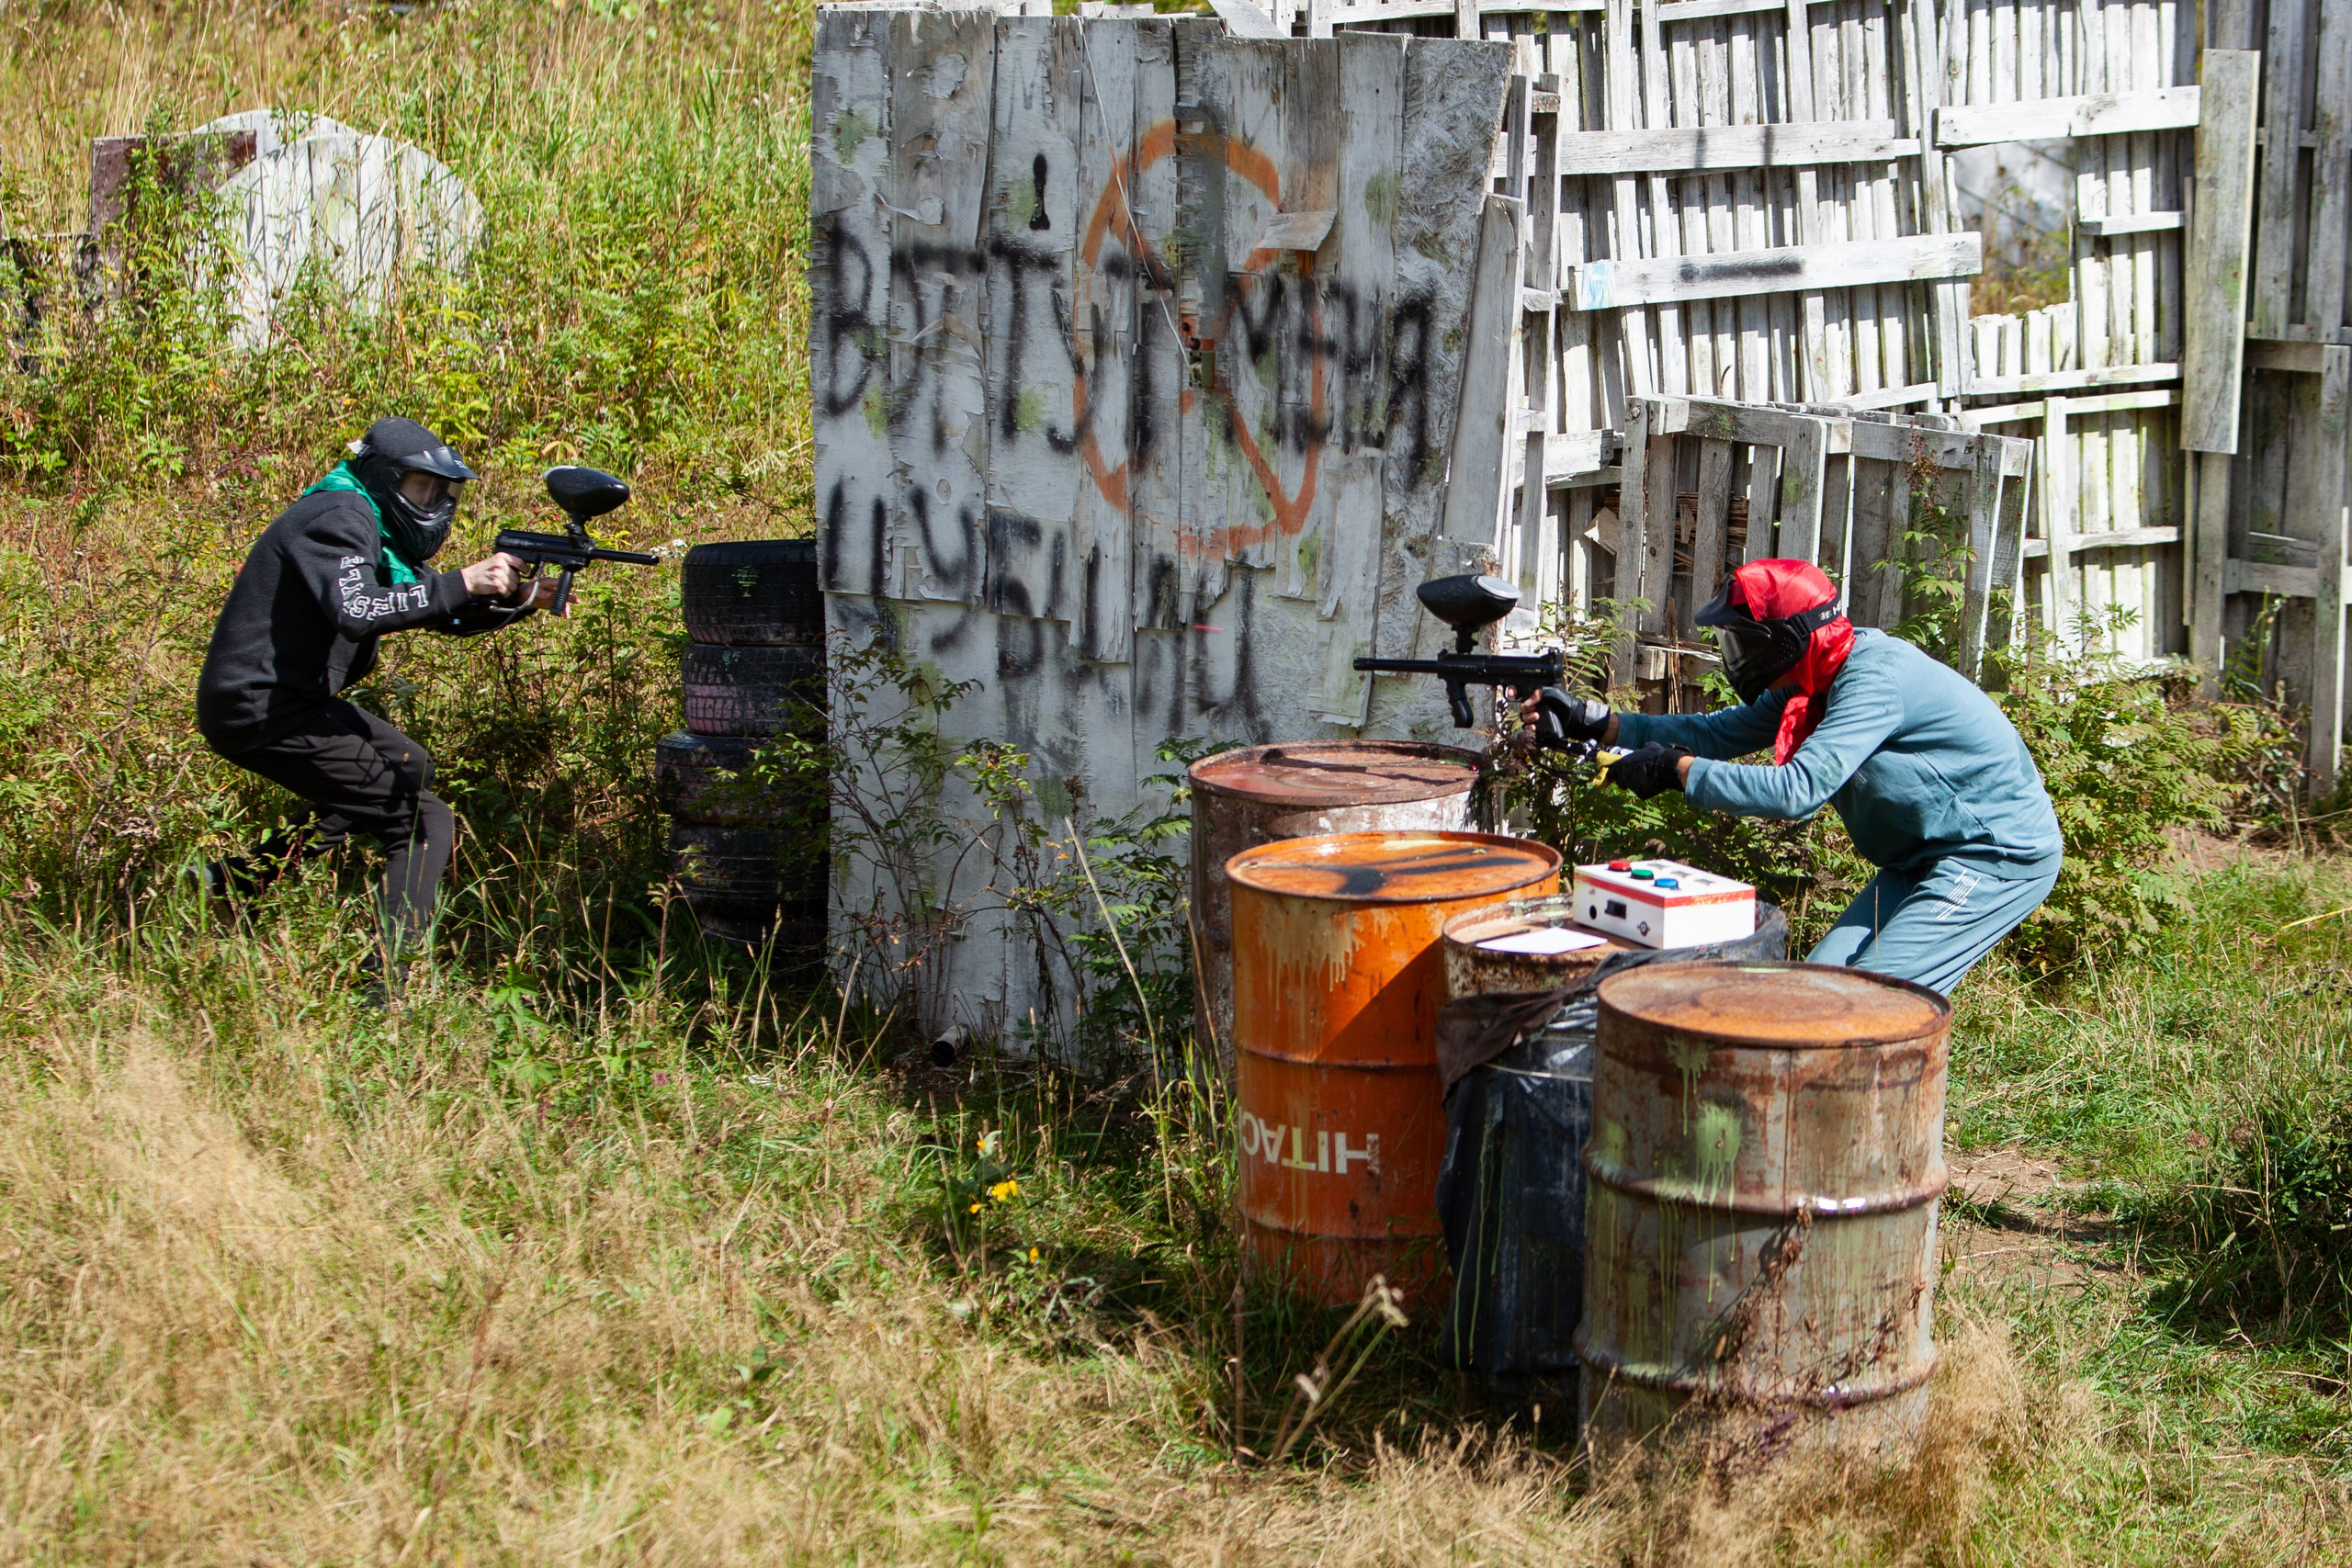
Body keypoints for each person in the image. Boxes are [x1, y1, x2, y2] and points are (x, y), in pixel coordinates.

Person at [1526, 558, 2063, 995]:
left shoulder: (1871, 681)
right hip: (1916, 858)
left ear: (1784, 638)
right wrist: (1593, 720)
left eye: (1743, 642)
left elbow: (1796, 791)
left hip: (1993, 856)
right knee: (1818, 986)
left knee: (1869, 1000)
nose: (1734, 657)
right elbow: (1713, 733)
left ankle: (1890, 1124)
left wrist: (1675, 770)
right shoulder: (1815, 673)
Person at [194, 416, 555, 991]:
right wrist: (465, 580)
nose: (432, 501)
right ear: (383, 477)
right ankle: (381, 988)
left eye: (443, 491)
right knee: (424, 822)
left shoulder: (370, 521)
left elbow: (426, 606)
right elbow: (360, 610)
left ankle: (236, 884)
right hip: (259, 708)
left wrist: (523, 599)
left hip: (287, 699)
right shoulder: (338, 517)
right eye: (420, 486)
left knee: (408, 765)